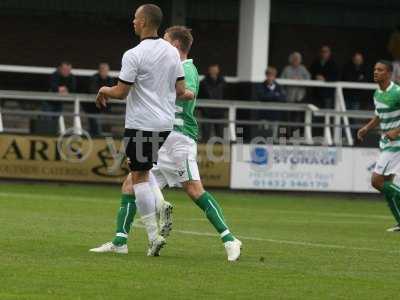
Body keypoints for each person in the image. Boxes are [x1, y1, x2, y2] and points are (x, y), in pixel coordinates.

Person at [107, 26, 241, 261]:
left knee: (194, 189)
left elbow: (184, 92)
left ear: (176, 45)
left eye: (166, 41)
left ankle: (230, 239)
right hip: (161, 136)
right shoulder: (171, 66)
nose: (162, 45)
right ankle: (120, 241)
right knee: (131, 184)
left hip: (178, 137)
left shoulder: (186, 69)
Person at [90, 4, 189, 256]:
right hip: (164, 124)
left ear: (144, 21)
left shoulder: (133, 54)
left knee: (138, 177)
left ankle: (154, 232)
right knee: (141, 174)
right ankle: (145, 233)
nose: (133, 22)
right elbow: (180, 91)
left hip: (141, 122)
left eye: (135, 18)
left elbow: (121, 92)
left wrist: (103, 90)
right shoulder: (171, 53)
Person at [357, 60, 400, 232]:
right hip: (386, 143)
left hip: (396, 143)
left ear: (389, 73)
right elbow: (379, 115)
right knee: (387, 184)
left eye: (380, 70)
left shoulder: (397, 92)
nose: (376, 72)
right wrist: (366, 128)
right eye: (375, 69)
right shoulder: (377, 94)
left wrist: (396, 131)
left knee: (376, 181)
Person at [255, 66, 286, 140]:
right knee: (263, 135)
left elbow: (283, 98)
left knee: (274, 136)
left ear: (275, 76)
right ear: (266, 76)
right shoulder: (260, 86)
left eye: (272, 75)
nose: (270, 77)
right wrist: (275, 95)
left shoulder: (279, 86)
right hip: (264, 115)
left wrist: (271, 95)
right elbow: (262, 96)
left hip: (275, 115)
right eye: (269, 75)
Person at [85, 63, 114, 136]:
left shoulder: (110, 79)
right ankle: (95, 136)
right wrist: (104, 94)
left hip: (105, 106)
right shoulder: (94, 78)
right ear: (99, 70)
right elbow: (92, 91)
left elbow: (112, 91)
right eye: (103, 70)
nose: (104, 72)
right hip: (93, 106)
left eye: (106, 70)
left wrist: (105, 94)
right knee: (94, 122)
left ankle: (104, 136)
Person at [198, 64, 226, 140]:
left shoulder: (223, 82)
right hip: (207, 112)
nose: (214, 71)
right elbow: (199, 96)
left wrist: (224, 109)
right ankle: (203, 150)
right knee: (205, 134)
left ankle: (220, 151)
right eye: (212, 69)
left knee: (220, 135)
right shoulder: (203, 82)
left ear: (218, 70)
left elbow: (226, 95)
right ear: (209, 70)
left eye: (215, 69)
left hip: (220, 112)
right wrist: (202, 109)